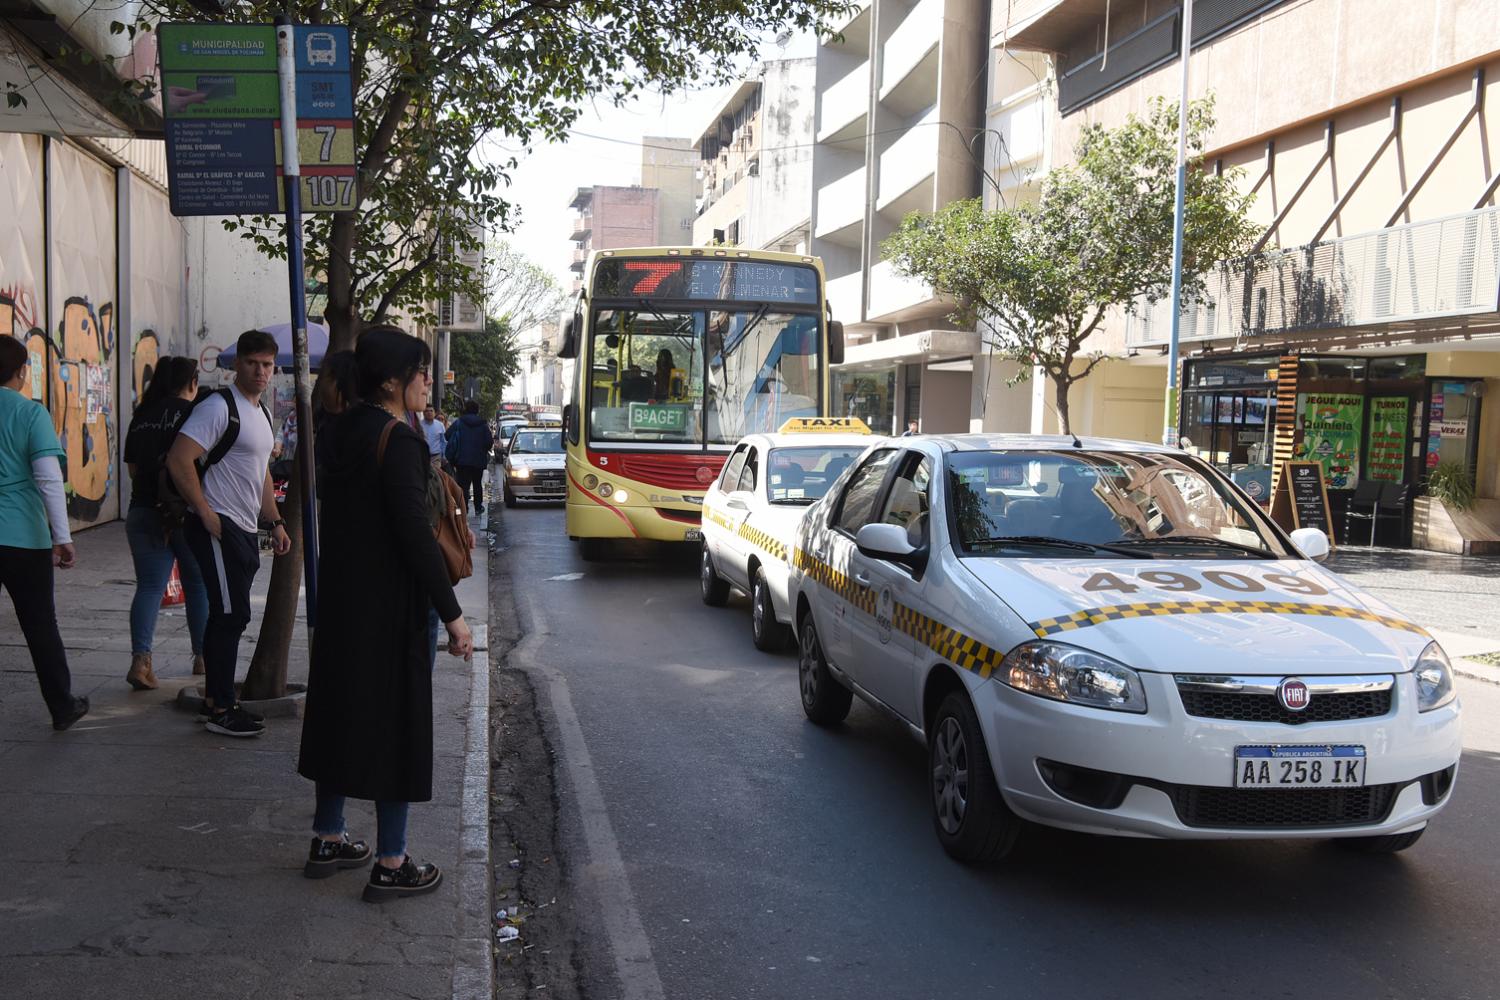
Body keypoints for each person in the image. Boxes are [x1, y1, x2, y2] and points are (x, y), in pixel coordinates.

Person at [298, 325, 473, 902]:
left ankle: (328, 836)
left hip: (343, 601)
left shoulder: (337, 430)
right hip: (390, 607)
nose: (429, 381)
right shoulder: (397, 440)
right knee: (397, 726)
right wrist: (453, 615)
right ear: (395, 382)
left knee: (339, 713)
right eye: (422, 372)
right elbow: (414, 536)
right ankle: (393, 861)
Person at [166, 329, 291, 738]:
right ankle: (221, 706)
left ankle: (215, 700)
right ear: (237, 364)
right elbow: (179, 458)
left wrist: (274, 522)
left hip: (244, 529)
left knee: (230, 614)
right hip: (218, 524)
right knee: (231, 614)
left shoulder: (261, 413)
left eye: (267, 365)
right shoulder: (219, 407)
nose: (260, 371)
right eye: (252, 363)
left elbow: (261, 476)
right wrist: (204, 512)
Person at [0, 336, 89, 730]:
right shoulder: (31, 414)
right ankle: (62, 706)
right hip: (23, 539)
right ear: (22, 372)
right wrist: (63, 536)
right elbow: (49, 478)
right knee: (39, 626)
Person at [123, 356, 209, 690]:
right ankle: (203, 657)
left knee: (148, 587)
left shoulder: (141, 416)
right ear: (192, 382)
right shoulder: (193, 414)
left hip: (143, 510)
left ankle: (141, 662)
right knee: (198, 584)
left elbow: (132, 470)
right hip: (184, 512)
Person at [445, 399, 493, 514]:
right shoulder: (483, 424)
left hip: (462, 460)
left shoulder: (459, 422)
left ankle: (463, 508)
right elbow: (489, 442)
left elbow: (447, 436)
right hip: (478, 460)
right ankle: (478, 507)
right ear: (477, 410)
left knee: (463, 485)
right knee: (477, 484)